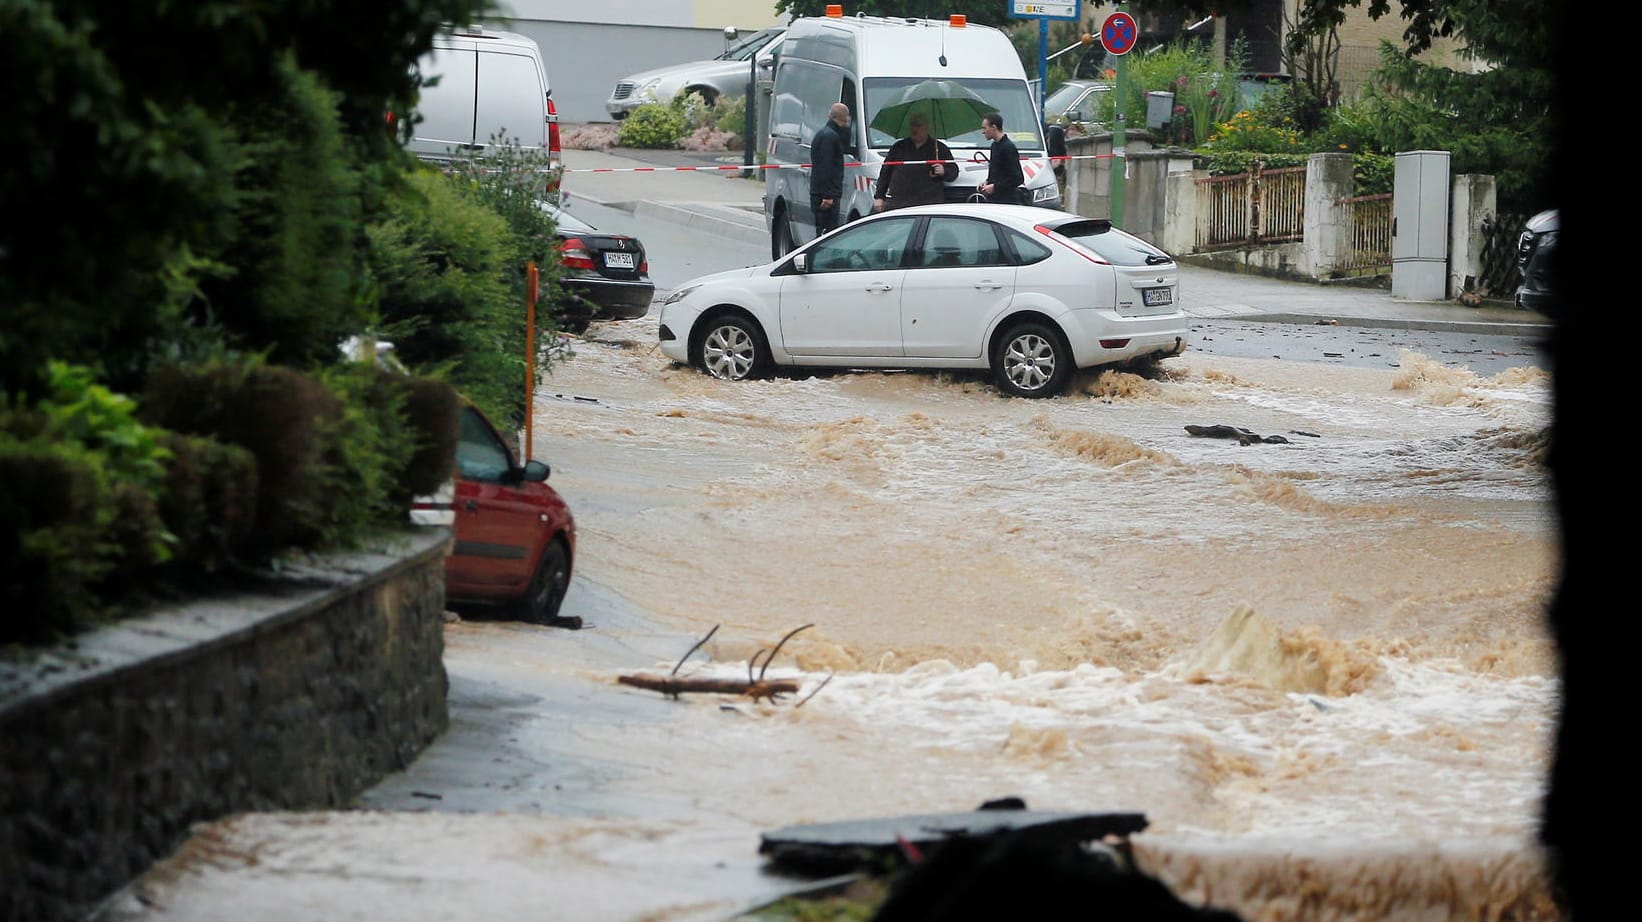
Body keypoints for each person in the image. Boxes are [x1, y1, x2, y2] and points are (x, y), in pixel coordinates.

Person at [872, 111, 956, 212]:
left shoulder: (939, 148)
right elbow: (885, 173)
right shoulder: (898, 147)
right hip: (899, 203)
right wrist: (879, 197)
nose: (914, 129)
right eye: (913, 125)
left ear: (927, 128)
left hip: (929, 205)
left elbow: (954, 172)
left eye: (918, 125)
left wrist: (943, 171)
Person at [809, 102, 852, 236]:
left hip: (820, 192)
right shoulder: (830, 137)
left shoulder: (824, 134)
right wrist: (828, 195)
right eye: (847, 119)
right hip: (825, 196)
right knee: (828, 233)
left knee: (824, 230)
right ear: (843, 118)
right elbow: (826, 167)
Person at [978, 111, 1024, 205]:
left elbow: (1018, 178)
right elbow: (997, 172)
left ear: (994, 127)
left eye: (985, 128)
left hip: (1007, 201)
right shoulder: (994, 146)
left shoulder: (1008, 147)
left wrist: (995, 187)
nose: (983, 132)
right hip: (995, 199)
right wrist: (987, 182)